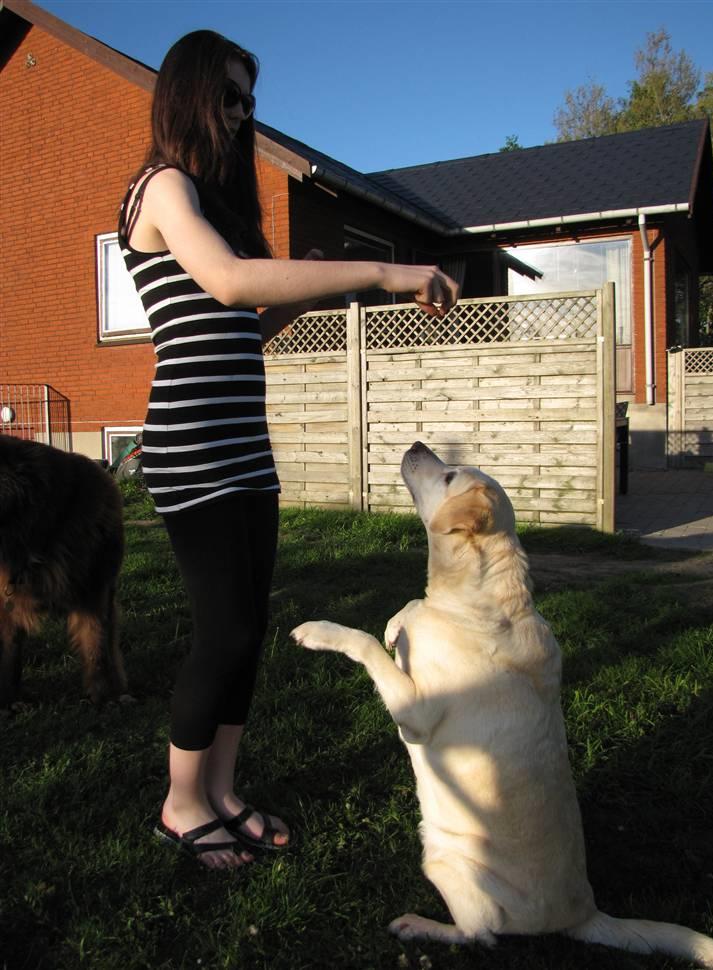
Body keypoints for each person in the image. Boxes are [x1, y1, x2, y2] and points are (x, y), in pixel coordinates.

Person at [118, 29, 459, 871]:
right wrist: (381, 275)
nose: (240, 114)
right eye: (229, 96)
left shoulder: (215, 205)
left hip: (244, 446)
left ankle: (223, 791)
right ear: (190, 93)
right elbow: (231, 281)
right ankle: (180, 803)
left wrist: (294, 295)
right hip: (191, 446)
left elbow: (241, 316)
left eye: (249, 100)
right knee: (221, 631)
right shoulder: (160, 188)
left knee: (249, 627)